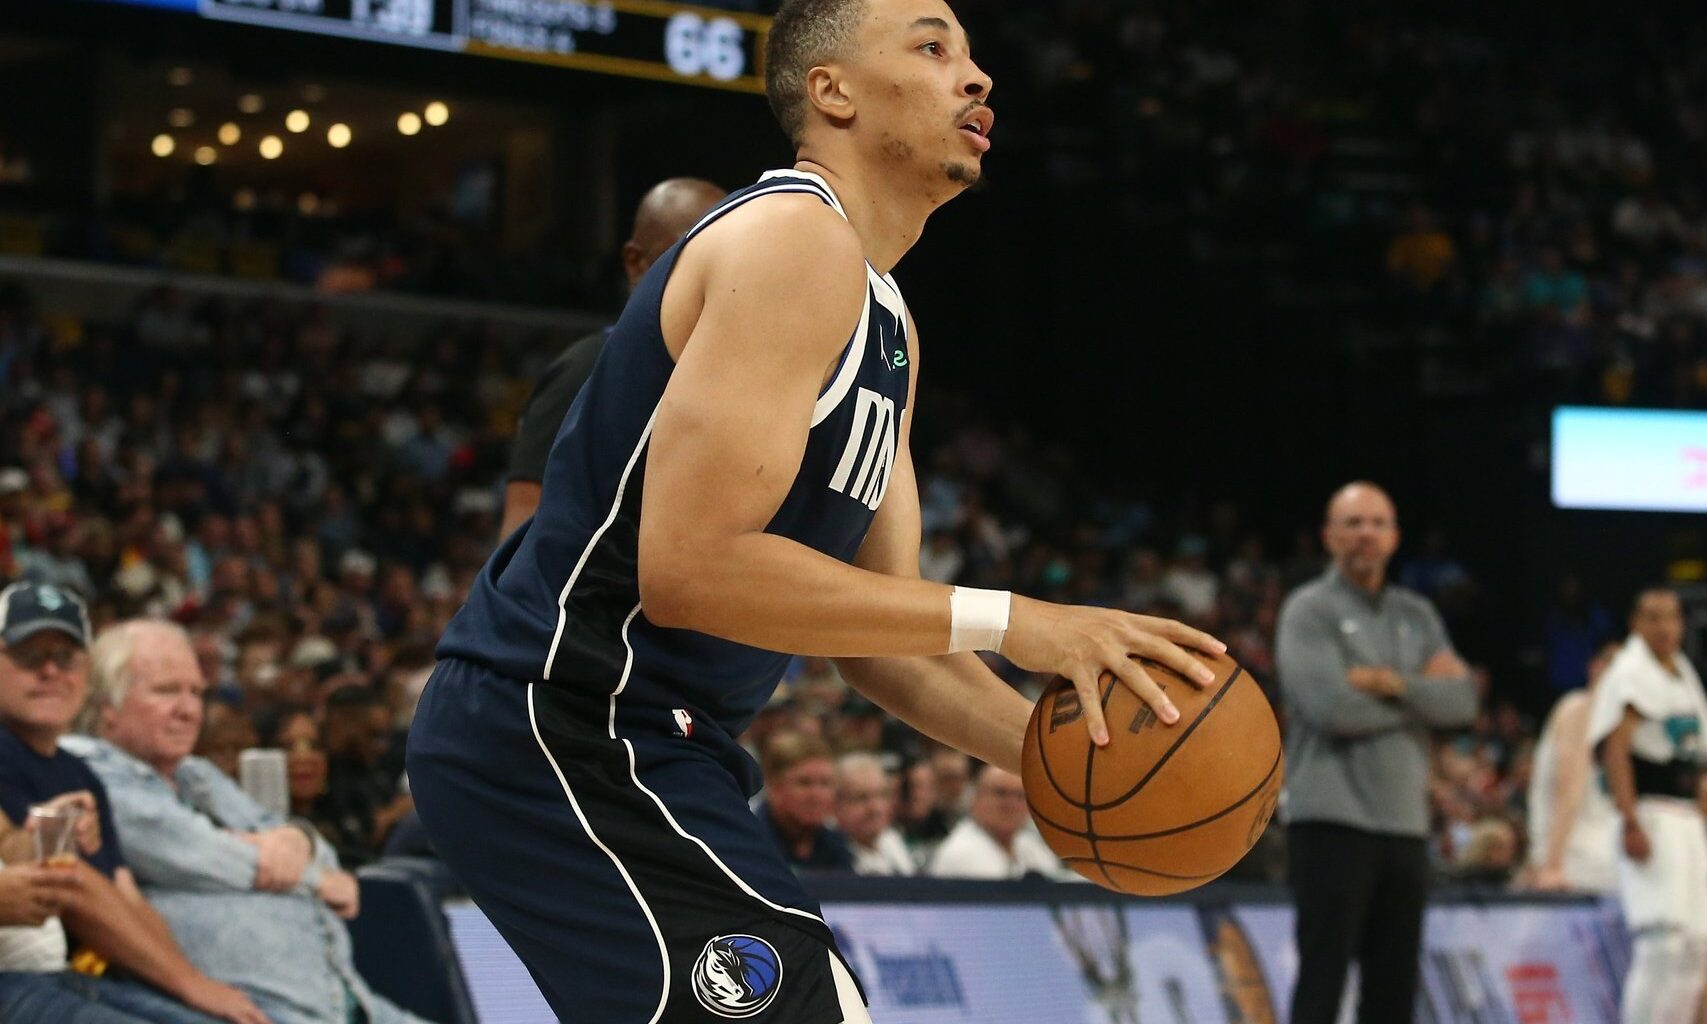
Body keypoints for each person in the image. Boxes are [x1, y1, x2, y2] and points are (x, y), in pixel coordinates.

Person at [407, 1, 1224, 1020]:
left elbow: (887, 638)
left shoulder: (888, 319)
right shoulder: (791, 237)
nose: (976, 79)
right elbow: (691, 568)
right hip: (561, 719)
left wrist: (1065, 773)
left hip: (655, 743)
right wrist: (1023, 619)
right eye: (933, 48)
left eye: (973, 56)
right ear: (830, 92)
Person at [65, 619, 431, 1024]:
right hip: (254, 1010)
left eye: (196, 693)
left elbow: (304, 845)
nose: (189, 710)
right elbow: (197, 854)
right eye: (167, 691)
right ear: (106, 706)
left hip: (345, 999)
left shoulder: (196, 773)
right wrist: (313, 878)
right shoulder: (86, 771)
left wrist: (300, 839)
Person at [0, 582, 269, 1024]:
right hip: (24, 977)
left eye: (65, 658)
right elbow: (69, 887)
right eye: (30, 656)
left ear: (86, 674)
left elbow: (127, 900)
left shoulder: (81, 773)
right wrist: (193, 985)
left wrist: (196, 984)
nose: (50, 671)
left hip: (83, 976)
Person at [1276, 482, 1476, 1024]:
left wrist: (1388, 683)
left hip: (1404, 824)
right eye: (1354, 522)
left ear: (1395, 537)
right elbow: (1330, 708)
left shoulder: (1416, 613)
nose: (1367, 533)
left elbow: (1462, 701)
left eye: (1378, 523)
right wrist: (1420, 695)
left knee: (1393, 992)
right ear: (1329, 536)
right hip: (1330, 819)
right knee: (1322, 982)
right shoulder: (1307, 611)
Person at [499, 178, 728, 539]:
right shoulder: (585, 368)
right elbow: (523, 519)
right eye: (688, 255)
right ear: (635, 262)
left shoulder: (722, 375)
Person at [1589, 589, 1707, 1024]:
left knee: (1696, 945)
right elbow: (1616, 750)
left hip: (1687, 818)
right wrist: (1629, 819)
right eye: (1653, 618)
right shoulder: (1629, 673)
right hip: (1650, 812)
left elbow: (1696, 761)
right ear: (1636, 623)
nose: (1665, 627)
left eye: (1672, 618)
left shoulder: (1682, 676)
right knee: (1663, 942)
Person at [1526, 639, 1621, 893]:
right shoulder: (1584, 710)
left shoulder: (1596, 715)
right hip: (1590, 858)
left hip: (1584, 858)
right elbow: (1570, 789)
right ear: (1595, 667)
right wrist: (1551, 864)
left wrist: (1550, 865)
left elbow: (1573, 791)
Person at [926, 765, 1063, 879]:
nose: (1011, 804)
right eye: (1001, 793)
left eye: (1020, 796)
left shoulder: (1032, 847)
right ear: (976, 797)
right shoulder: (961, 852)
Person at [753, 732, 854, 872]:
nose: (816, 796)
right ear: (774, 787)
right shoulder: (750, 843)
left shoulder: (836, 845)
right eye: (804, 783)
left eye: (825, 783)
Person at [834, 753, 914, 875]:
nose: (875, 808)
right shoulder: (830, 854)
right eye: (862, 797)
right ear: (837, 804)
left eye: (882, 795)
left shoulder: (891, 840)